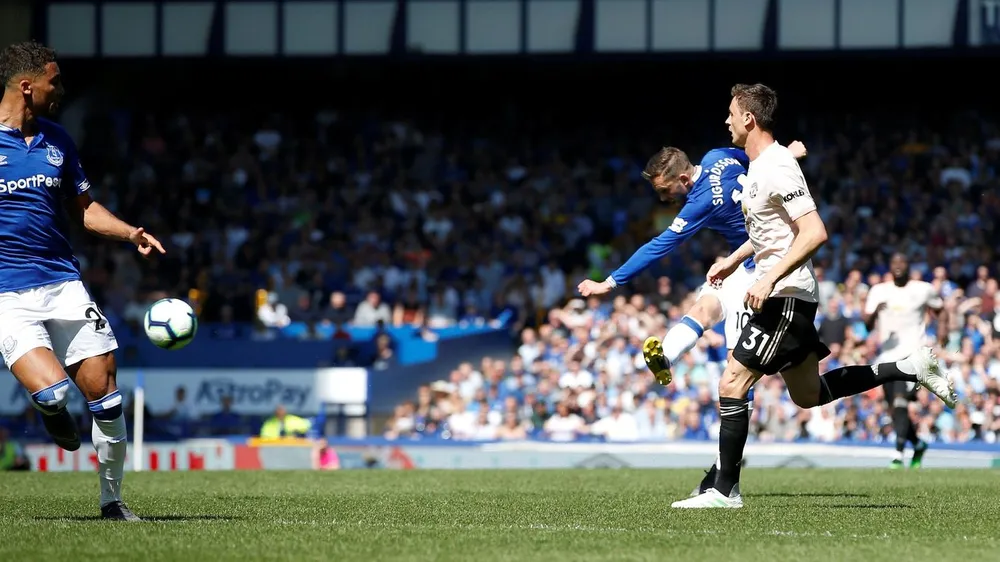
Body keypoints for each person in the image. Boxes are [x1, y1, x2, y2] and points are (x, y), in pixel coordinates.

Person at [671, 83, 957, 509]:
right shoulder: (760, 169)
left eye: (731, 113)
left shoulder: (775, 166)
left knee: (732, 382)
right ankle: (909, 366)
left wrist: (768, 280)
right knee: (810, 395)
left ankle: (724, 489)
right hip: (783, 292)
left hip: (785, 295)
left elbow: (814, 232)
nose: (726, 120)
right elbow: (771, 234)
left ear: (749, 119)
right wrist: (734, 260)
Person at [577, 141, 807, 495]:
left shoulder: (701, 200)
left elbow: (660, 245)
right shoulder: (718, 156)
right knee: (701, 310)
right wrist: (788, 154)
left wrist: (610, 282)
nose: (664, 197)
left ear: (684, 178)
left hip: (759, 268)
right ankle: (665, 355)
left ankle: (724, 471)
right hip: (733, 266)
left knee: (736, 373)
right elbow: (757, 161)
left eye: (666, 190)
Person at [0, 41, 165, 520]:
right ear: (28, 86)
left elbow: (85, 209)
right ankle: (53, 414)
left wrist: (130, 231)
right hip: (7, 293)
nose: (61, 89)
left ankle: (112, 501)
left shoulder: (57, 141)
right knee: (51, 392)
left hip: (62, 283)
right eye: (54, 81)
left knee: (105, 396)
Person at [864, 252, 947, 469]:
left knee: (901, 401)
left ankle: (898, 454)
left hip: (913, 355)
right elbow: (866, 324)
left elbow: (941, 309)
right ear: (889, 266)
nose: (898, 265)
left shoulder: (922, 289)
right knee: (895, 408)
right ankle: (918, 444)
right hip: (886, 356)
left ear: (909, 266)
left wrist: (943, 331)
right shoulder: (879, 291)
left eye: (903, 261)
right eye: (894, 262)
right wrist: (874, 314)